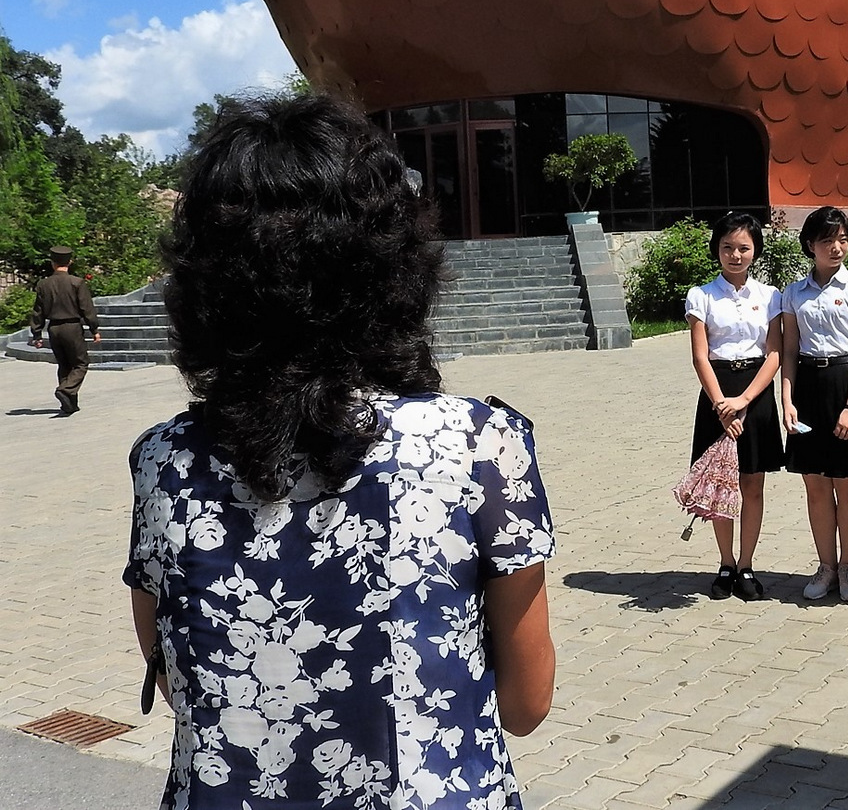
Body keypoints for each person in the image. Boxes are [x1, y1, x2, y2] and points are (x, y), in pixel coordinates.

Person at [124, 94, 556, 810]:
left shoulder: (166, 459)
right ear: (393, 262)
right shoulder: (476, 442)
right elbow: (527, 703)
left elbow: (176, 681)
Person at [686, 211, 784, 600]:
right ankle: (725, 563)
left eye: (744, 247)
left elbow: (775, 353)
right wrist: (722, 405)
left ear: (755, 250)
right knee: (720, 483)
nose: (736, 255)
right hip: (716, 393)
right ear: (717, 250)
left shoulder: (771, 295)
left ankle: (747, 565)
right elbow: (700, 356)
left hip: (755, 393)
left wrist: (744, 400)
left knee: (752, 485)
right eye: (728, 247)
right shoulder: (701, 295)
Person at [779, 206, 848, 602]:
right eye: (827, 240)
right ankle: (826, 566)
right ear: (809, 245)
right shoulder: (793, 292)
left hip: (843, 383)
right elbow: (788, 350)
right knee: (815, 486)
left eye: (843, 238)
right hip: (807, 388)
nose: (836, 247)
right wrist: (786, 399)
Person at [28, 245, 100, 415]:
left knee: (64, 364)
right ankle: (66, 390)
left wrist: (37, 334)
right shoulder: (77, 282)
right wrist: (94, 329)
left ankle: (69, 404)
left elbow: (38, 311)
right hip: (72, 327)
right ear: (70, 262)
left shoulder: (44, 284)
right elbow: (86, 308)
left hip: (54, 328)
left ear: (52, 263)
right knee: (81, 363)